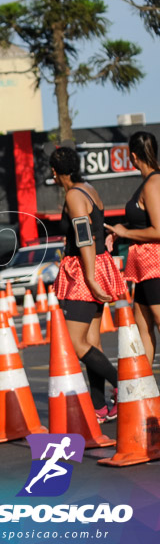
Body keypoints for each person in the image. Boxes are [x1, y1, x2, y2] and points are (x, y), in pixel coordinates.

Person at [50, 147, 123, 423]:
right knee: (92, 341)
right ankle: (100, 406)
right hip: (96, 264)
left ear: (55, 172)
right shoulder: (88, 188)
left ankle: (125, 386)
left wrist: (90, 277)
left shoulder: (73, 195)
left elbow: (84, 237)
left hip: (84, 270)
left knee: (75, 343)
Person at [105, 131, 160, 364]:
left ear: (133, 156)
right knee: (142, 327)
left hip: (155, 266)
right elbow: (145, 222)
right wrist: (122, 231)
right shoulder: (148, 183)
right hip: (143, 268)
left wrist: (126, 232)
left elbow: (158, 230)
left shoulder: (153, 184)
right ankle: (146, 391)